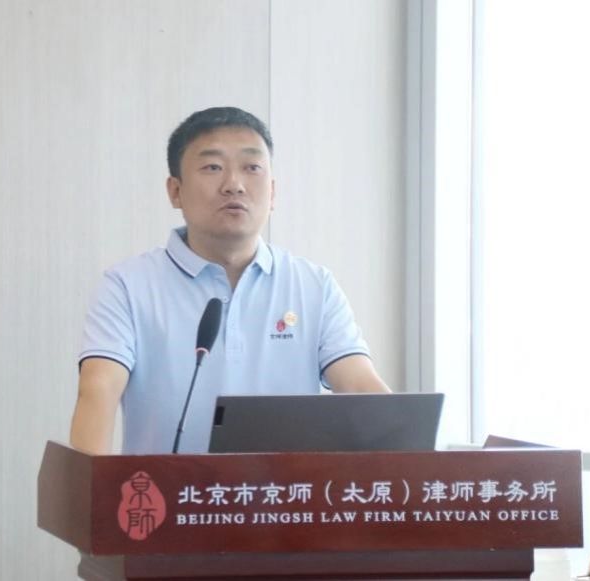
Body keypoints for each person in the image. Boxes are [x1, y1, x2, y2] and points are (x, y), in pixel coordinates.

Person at [69, 106, 390, 455]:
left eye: (252, 168)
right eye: (212, 167)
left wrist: (409, 459)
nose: (234, 185)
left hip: (286, 491)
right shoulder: (128, 286)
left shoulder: (315, 286)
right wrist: (93, 485)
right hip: (165, 491)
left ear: (272, 192)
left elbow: (360, 387)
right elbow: (98, 390)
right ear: (175, 191)